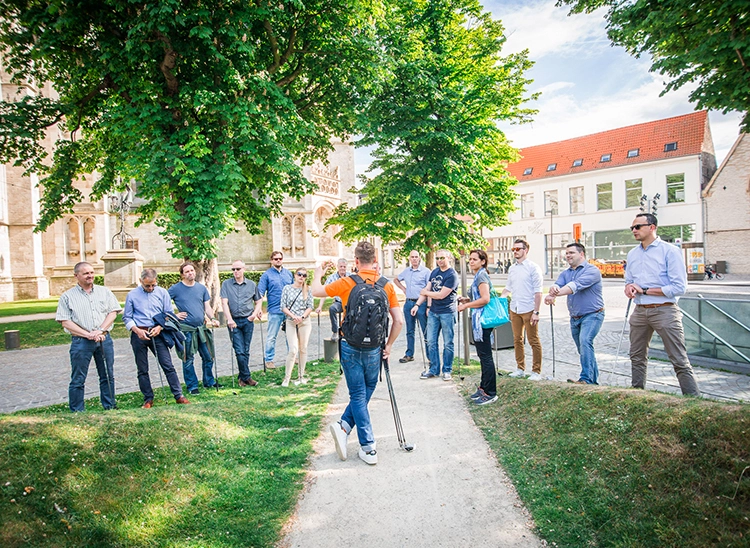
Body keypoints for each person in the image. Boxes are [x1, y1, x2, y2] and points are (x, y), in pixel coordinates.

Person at [312, 241, 404, 465]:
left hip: (350, 346)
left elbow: (316, 291)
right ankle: (362, 441)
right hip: (375, 347)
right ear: (376, 262)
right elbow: (399, 321)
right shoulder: (387, 286)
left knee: (357, 394)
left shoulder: (347, 283)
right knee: (366, 390)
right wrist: (389, 345)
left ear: (355, 262)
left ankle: (357, 437)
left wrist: (318, 273)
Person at [625, 213, 700, 396]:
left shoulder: (670, 251)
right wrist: (629, 288)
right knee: (636, 356)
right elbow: (629, 281)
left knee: (678, 358)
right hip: (640, 310)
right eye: (632, 228)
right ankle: (637, 395)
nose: (634, 230)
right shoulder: (632, 254)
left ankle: (693, 398)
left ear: (652, 227)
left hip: (665, 310)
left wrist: (644, 289)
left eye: (638, 227)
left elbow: (679, 287)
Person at [55, 262, 122, 412]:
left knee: (107, 375)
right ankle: (77, 410)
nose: (90, 276)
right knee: (78, 378)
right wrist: (88, 335)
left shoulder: (104, 292)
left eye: (92, 272)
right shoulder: (67, 297)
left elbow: (113, 312)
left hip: (104, 340)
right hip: (81, 342)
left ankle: (110, 406)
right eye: (86, 273)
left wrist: (100, 330)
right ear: (76, 276)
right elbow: (65, 321)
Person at [123, 268, 190, 408]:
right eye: (147, 285)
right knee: (142, 368)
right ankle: (148, 398)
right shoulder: (132, 295)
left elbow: (168, 314)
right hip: (139, 333)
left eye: (153, 284)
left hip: (158, 332)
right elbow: (127, 317)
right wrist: (136, 330)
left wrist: (160, 327)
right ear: (141, 281)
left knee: (167, 365)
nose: (151, 288)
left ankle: (178, 395)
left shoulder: (162, 292)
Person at [544, 243, 605, 385]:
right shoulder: (566, 273)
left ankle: (586, 379)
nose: (568, 256)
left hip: (593, 315)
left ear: (581, 254)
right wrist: (553, 289)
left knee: (585, 342)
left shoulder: (592, 271)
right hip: (575, 317)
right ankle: (592, 380)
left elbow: (575, 286)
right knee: (583, 348)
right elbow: (558, 284)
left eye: (571, 253)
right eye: (567, 253)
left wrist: (555, 294)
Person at [168, 262, 221, 394]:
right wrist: (174, 315)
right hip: (186, 330)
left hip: (201, 329)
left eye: (192, 270)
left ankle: (209, 381)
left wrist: (213, 318)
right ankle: (192, 386)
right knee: (188, 358)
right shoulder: (175, 289)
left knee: (208, 356)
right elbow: (162, 303)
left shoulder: (201, 288)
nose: (190, 273)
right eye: (187, 271)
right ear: (182, 275)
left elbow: (207, 307)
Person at [457, 250, 498, 405]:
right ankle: (483, 387)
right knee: (482, 356)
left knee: (486, 356)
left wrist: (466, 305)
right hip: (478, 320)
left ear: (483, 261)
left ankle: (491, 392)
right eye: (470, 259)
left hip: (483, 321)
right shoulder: (478, 275)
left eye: (474, 259)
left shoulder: (481, 275)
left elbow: (485, 299)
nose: (471, 261)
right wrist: (467, 299)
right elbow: (479, 297)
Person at [501, 239, 543, 380]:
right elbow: (508, 287)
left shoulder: (533, 268)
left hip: (529, 309)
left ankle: (536, 371)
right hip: (515, 308)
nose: (515, 252)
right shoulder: (512, 268)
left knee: (533, 340)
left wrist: (536, 312)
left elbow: (538, 292)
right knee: (517, 340)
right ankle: (520, 368)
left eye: (518, 249)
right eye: (514, 249)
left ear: (526, 250)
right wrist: (501, 299)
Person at [415, 250, 459, 381]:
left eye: (442, 258)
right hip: (434, 312)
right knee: (431, 341)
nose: (439, 260)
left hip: (447, 313)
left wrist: (427, 293)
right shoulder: (434, 272)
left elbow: (441, 295)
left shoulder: (452, 275)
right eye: (437, 258)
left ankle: (447, 370)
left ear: (449, 258)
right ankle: (434, 369)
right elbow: (427, 290)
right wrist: (417, 305)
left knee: (448, 343)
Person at [220, 260, 263, 387]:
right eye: (233, 269)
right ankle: (247, 377)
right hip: (234, 321)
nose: (235, 272)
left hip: (247, 320)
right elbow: (224, 303)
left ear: (244, 269)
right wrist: (229, 319)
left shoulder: (251, 284)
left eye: (238, 269)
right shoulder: (226, 284)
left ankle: (242, 378)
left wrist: (254, 314)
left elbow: (259, 301)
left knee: (246, 350)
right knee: (239, 351)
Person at [393, 250, 431, 363]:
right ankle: (409, 354)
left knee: (425, 331)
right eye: (412, 257)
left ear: (420, 258)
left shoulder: (426, 271)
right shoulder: (406, 271)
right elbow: (396, 279)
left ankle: (430, 356)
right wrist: (403, 289)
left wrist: (429, 306)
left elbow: (429, 288)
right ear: (409, 258)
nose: (414, 259)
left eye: (416, 257)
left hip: (421, 304)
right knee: (410, 330)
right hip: (409, 303)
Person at [258, 251, 294, 369]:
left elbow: (294, 290)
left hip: (289, 311)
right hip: (274, 311)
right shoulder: (266, 275)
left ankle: (292, 356)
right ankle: (269, 359)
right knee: (271, 337)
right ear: (271, 260)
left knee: (290, 336)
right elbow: (260, 293)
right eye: (275, 259)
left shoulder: (288, 274)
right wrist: (258, 309)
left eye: (280, 258)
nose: (278, 260)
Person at [280, 267, 315, 387]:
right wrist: (293, 316)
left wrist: (302, 317)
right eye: (299, 274)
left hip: (304, 322)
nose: (301, 277)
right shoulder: (287, 289)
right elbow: (283, 306)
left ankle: (301, 376)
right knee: (293, 349)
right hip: (290, 321)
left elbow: (310, 306)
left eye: (304, 275)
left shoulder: (307, 289)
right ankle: (287, 378)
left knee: (303, 348)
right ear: (295, 275)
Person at [314, 258, 348, 341]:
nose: (342, 268)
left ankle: (348, 332)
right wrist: (320, 307)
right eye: (341, 266)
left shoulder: (351, 276)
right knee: (332, 308)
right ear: (337, 267)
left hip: (349, 303)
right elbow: (324, 292)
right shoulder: (332, 278)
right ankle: (335, 331)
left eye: (344, 266)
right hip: (339, 302)